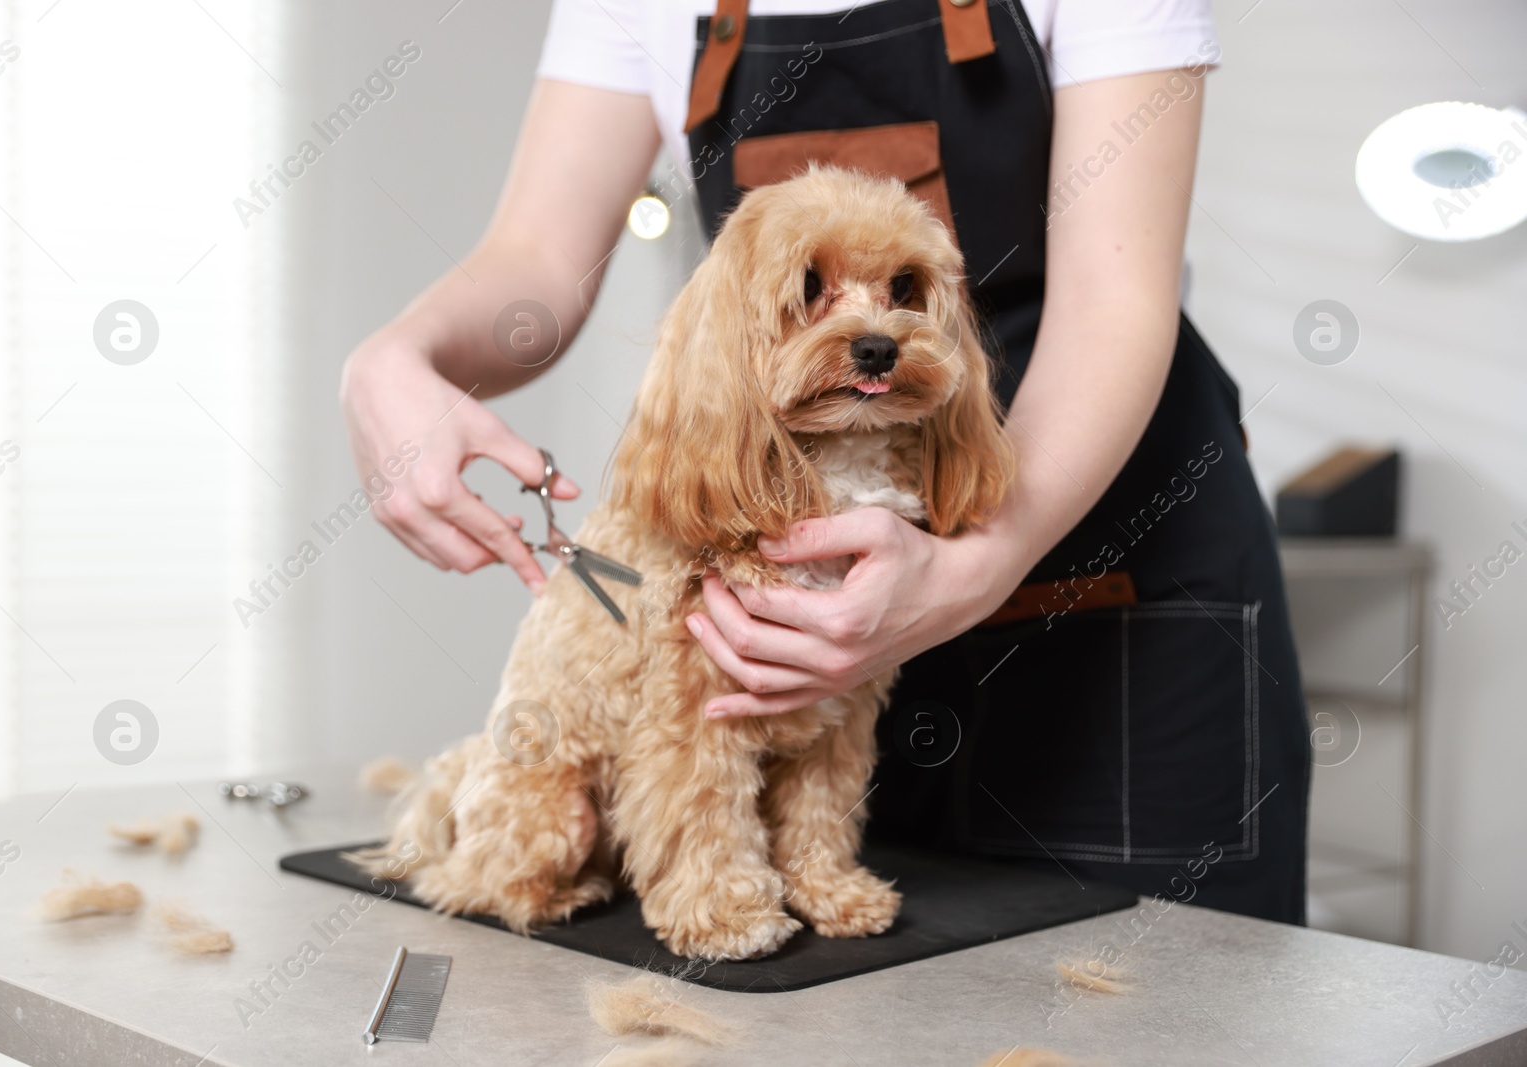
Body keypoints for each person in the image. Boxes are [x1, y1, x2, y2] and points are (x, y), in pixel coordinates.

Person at [340, 0, 1311, 924]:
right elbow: (538, 257)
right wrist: (396, 354)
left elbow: (1114, 300)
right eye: (813, 290)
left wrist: (979, 556)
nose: (869, 325)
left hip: (1111, 587)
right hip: (816, 600)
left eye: (899, 289)